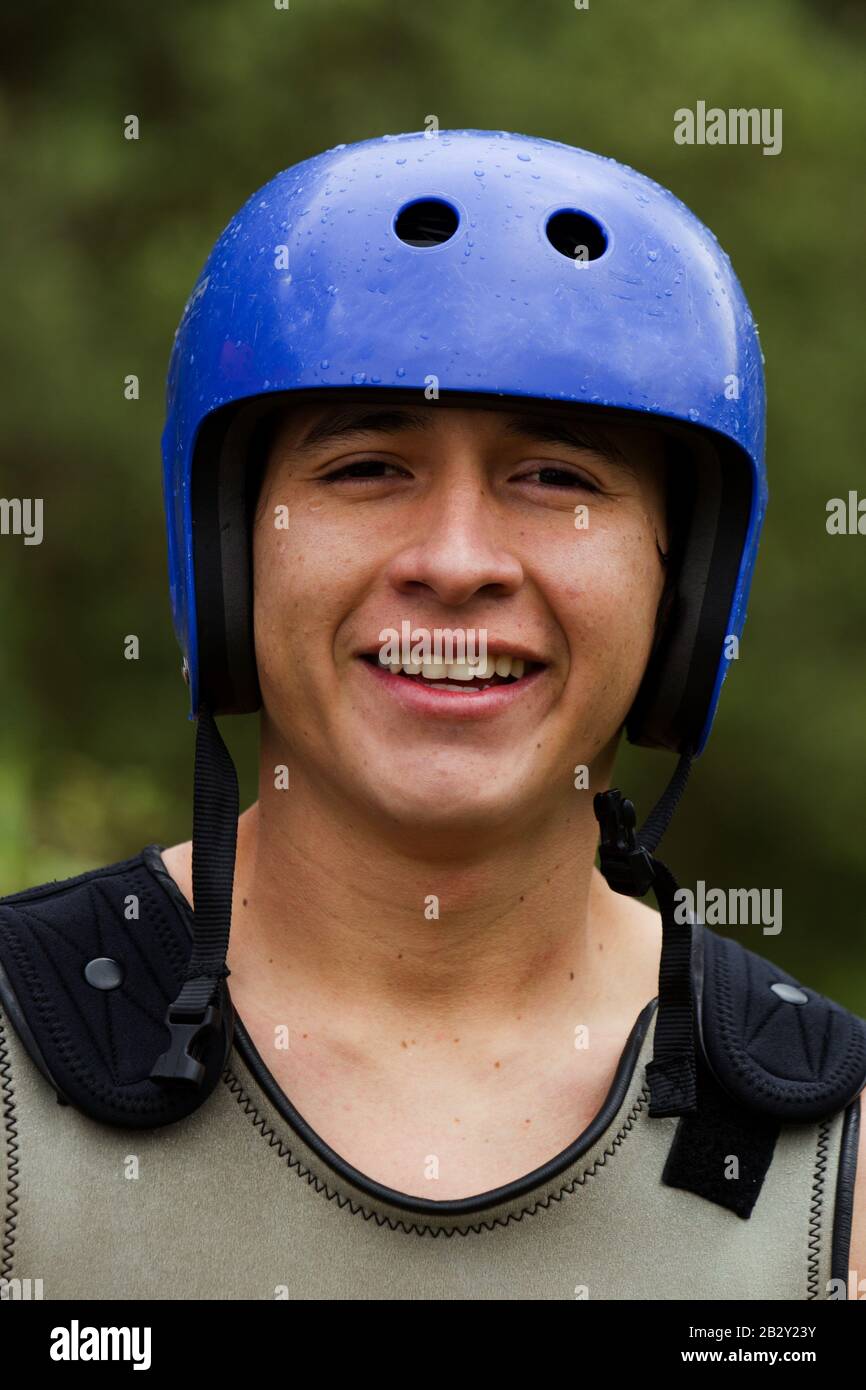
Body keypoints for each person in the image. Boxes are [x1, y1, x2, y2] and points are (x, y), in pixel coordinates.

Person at [1, 129, 864, 1302]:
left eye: (556, 478)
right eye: (364, 467)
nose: (456, 562)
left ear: (683, 583)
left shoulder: (841, 1179)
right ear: (229, 555)